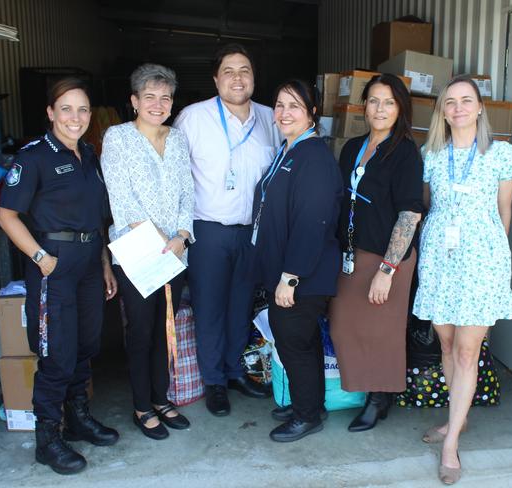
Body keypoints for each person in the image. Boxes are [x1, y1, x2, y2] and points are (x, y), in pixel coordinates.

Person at [0, 78, 119, 475]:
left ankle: (78, 418)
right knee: (56, 352)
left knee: (85, 344)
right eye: (66, 109)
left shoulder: (88, 154)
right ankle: (47, 438)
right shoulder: (33, 157)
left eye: (83, 109)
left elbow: (96, 219)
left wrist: (103, 263)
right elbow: (6, 215)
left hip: (87, 262)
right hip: (54, 264)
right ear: (50, 113)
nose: (76, 117)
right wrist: (39, 257)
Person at [412, 75, 512, 484]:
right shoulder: (432, 154)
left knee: (465, 351)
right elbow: (430, 205)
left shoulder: (502, 153)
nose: (458, 108)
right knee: (445, 342)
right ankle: (456, 420)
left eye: (466, 100)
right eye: (451, 102)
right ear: (443, 110)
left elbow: (504, 212)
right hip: (440, 260)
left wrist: (495, 262)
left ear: (480, 108)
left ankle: (450, 445)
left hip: (481, 261)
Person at [174, 43, 280, 416]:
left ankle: (235, 371)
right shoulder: (193, 117)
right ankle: (214, 381)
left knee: (241, 304)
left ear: (254, 77)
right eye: (229, 71)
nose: (238, 78)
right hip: (208, 229)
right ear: (216, 78)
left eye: (245, 70)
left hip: (253, 230)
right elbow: (175, 177)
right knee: (210, 307)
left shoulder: (272, 117)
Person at [100, 63, 194, 440]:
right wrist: (160, 239)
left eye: (165, 97)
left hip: (175, 251)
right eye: (149, 96)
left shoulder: (179, 139)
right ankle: (142, 405)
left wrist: (183, 235)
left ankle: (161, 397)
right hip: (138, 252)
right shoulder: (117, 137)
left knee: (164, 328)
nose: (158, 104)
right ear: (135, 101)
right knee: (141, 330)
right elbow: (120, 198)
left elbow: (189, 190)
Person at [328, 74, 424, 433]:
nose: (380, 109)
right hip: (352, 252)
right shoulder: (352, 147)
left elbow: (410, 212)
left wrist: (388, 269)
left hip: (388, 257)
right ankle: (365, 388)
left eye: (388, 102)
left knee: (382, 330)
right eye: (373, 101)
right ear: (363, 106)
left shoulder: (405, 152)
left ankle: (379, 397)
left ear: (400, 108)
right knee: (344, 325)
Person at [252, 79, 342, 442]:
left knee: (295, 342)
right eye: (279, 105)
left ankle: (307, 415)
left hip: (303, 275)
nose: (284, 113)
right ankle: (311, 403)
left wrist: (290, 277)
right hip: (288, 270)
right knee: (297, 342)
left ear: (312, 113)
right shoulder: (289, 151)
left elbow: (312, 220)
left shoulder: (314, 156)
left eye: (294, 106)